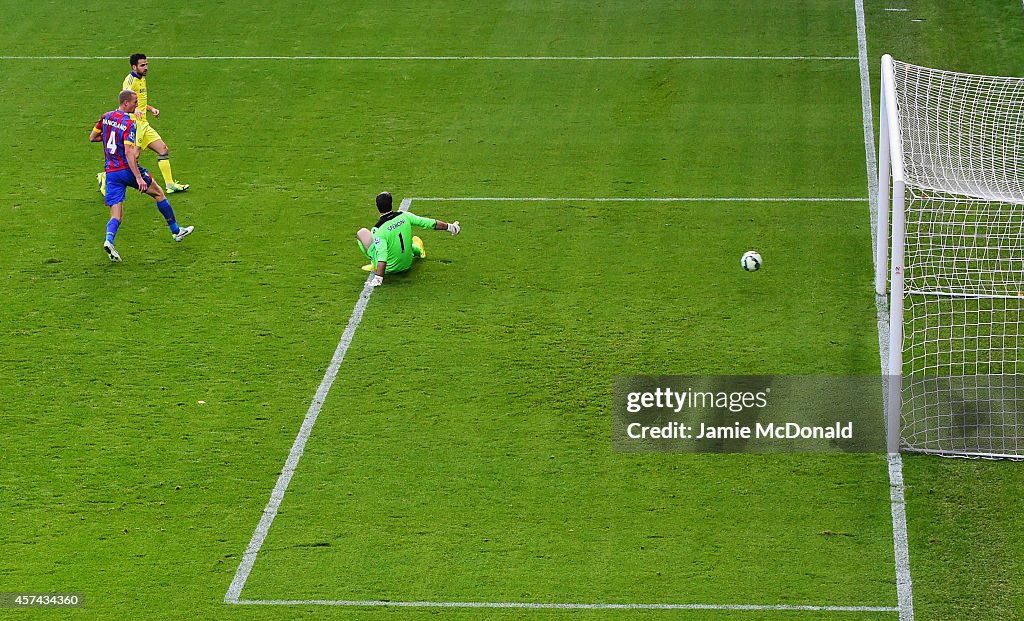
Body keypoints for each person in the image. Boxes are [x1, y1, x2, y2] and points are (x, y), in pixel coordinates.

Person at [90, 89, 194, 262]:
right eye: (134, 101)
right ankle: (176, 231)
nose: (137, 104)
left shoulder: (106, 116)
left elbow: (93, 137)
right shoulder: (130, 123)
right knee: (159, 193)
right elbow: (130, 152)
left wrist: (109, 136)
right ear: (125, 103)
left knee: (116, 215)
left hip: (111, 173)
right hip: (127, 170)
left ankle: (109, 240)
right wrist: (138, 177)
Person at [97, 53, 189, 196]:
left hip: (144, 123)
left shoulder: (142, 79)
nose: (146, 68)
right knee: (133, 156)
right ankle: (106, 177)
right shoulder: (130, 81)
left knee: (163, 149)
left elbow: (139, 102)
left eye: (146, 64)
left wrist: (150, 109)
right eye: (142, 65)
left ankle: (170, 185)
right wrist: (135, 113)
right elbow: (125, 99)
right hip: (135, 124)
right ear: (134, 67)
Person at [356, 192, 461, 286]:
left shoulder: (378, 229)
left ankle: (373, 263)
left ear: (377, 207)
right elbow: (428, 223)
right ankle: (417, 249)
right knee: (401, 240)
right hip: (407, 263)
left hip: (390, 269)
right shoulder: (404, 215)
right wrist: (450, 227)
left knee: (362, 233)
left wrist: (378, 279)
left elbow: (383, 256)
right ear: (391, 204)